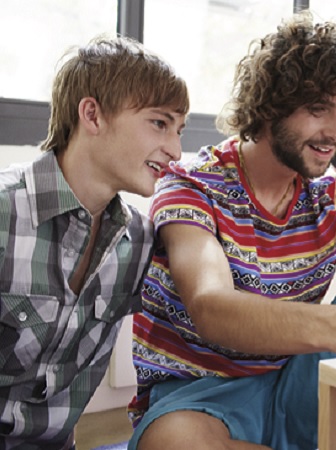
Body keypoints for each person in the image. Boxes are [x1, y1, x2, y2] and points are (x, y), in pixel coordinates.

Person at [127, 12, 336, 450]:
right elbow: (211, 306)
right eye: (318, 108)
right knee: (174, 444)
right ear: (271, 105)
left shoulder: (330, 195)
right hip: (198, 397)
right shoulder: (192, 186)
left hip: (297, 387)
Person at [0, 36, 189, 450]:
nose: (175, 150)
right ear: (92, 115)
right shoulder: (5, 214)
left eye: (179, 130)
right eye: (159, 123)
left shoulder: (139, 240)